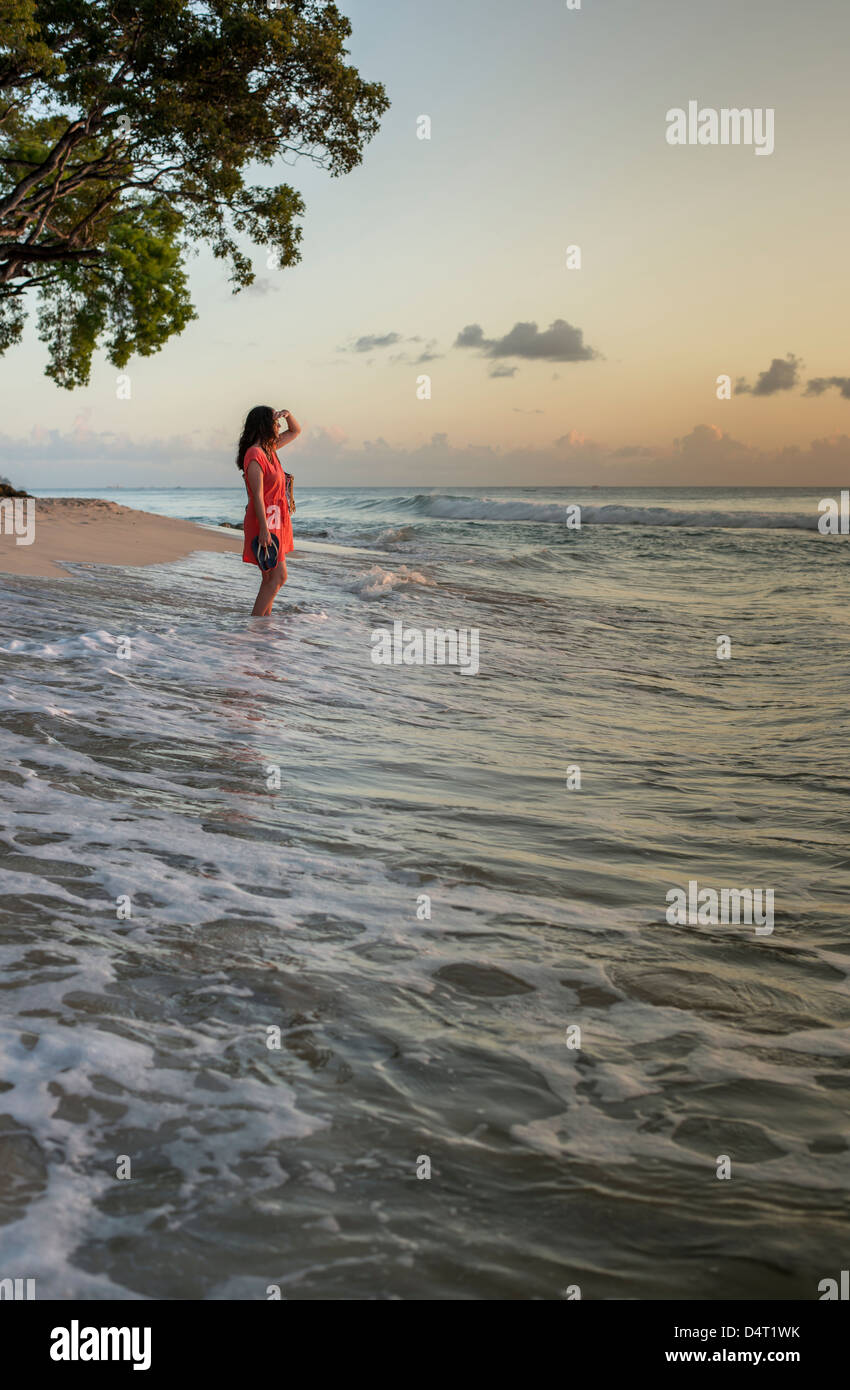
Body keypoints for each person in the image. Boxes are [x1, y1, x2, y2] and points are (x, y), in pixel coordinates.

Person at [236, 405, 301, 616]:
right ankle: (254, 625)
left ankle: (263, 627)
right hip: (264, 523)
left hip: (277, 520)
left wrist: (288, 414)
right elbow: (256, 496)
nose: (279, 425)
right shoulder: (255, 454)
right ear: (265, 425)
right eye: (275, 422)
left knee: (270, 579)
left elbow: (295, 431)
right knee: (278, 577)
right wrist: (263, 530)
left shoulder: (269, 449)